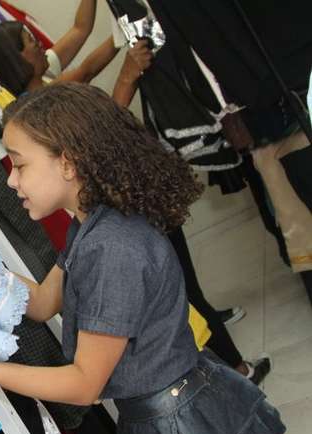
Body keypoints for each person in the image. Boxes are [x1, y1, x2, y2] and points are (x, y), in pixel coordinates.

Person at [0, 83, 311, 434]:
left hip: (183, 422)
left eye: (19, 164)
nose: (11, 179)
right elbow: (43, 303)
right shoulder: (93, 224)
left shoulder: (110, 249)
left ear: (67, 162)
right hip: (178, 408)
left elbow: (83, 385)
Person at [114, 38, 270, 384]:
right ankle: (239, 371)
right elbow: (104, 139)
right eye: (27, 43)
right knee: (185, 292)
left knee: (186, 291)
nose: (38, 45)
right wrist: (126, 78)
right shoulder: (52, 112)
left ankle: (233, 368)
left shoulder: (50, 93)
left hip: (140, 205)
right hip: (136, 210)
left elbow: (82, 35)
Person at [0, 4, 122, 96]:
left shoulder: (41, 76)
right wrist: (125, 31)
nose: (40, 44)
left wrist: (123, 32)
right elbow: (87, 71)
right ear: (19, 57)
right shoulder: (44, 97)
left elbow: (80, 29)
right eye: (32, 41)